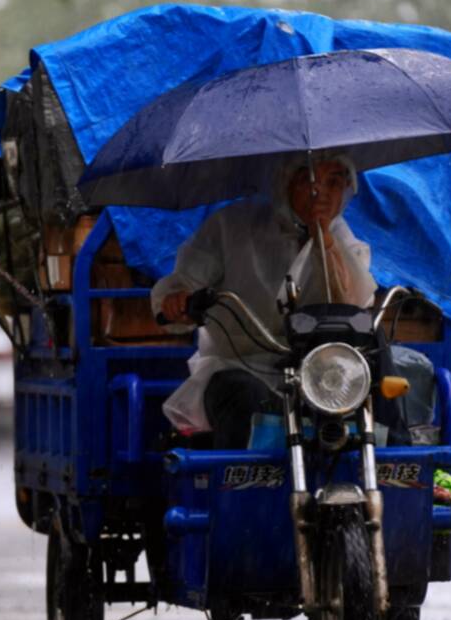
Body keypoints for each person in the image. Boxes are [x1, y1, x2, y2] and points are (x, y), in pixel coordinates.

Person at [151, 155, 377, 448]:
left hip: (321, 374)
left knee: (377, 368)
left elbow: (351, 303)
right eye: (307, 181)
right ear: (285, 183)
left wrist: (320, 233)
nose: (319, 192)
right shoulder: (231, 226)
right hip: (240, 365)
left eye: (333, 183)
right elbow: (185, 284)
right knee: (242, 395)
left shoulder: (341, 238)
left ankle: (401, 467)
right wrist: (177, 302)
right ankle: (241, 488)